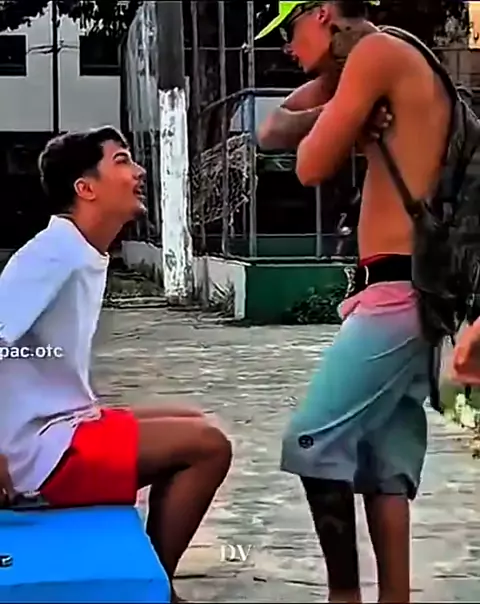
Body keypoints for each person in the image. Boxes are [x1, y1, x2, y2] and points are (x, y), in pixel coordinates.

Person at [257, 1, 451, 602]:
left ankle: (344, 597)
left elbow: (309, 165)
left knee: (310, 441)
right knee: (384, 467)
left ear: (321, 14)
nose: (287, 48)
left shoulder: (376, 52)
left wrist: (346, 109)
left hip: (399, 290)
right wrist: (341, 106)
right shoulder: (385, 59)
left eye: (289, 31)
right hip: (409, 289)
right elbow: (269, 130)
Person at [0, 126, 232, 602]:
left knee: (193, 421)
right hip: (36, 453)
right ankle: (154, 589)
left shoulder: (77, 249)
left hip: (60, 422)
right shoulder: (54, 254)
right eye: (123, 161)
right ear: (85, 188)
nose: (139, 171)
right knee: (208, 447)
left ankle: (149, 578)